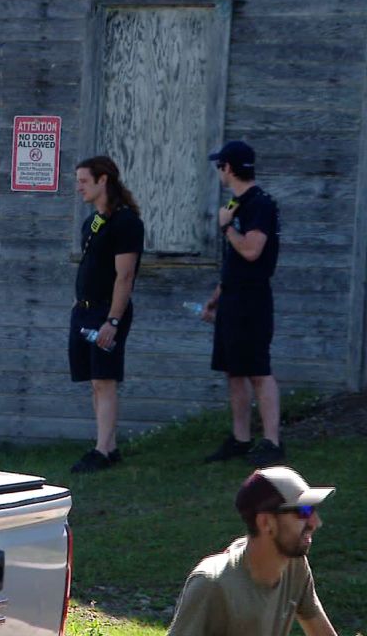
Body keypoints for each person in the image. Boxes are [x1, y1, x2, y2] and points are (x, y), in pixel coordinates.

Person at [166, 466, 337, 636]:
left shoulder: (294, 564)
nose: (315, 522)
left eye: (313, 509)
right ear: (265, 522)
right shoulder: (212, 584)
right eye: (303, 511)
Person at [200, 141, 284, 466]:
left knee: (258, 371)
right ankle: (240, 439)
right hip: (232, 297)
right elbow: (235, 261)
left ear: (229, 168)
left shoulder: (259, 205)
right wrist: (216, 298)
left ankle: (272, 442)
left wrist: (225, 228)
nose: (219, 172)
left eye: (220, 166)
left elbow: (251, 251)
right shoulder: (236, 203)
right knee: (234, 372)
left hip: (252, 299)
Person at [68, 156, 144, 473]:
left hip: (106, 312)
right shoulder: (95, 221)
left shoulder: (126, 222)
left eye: (85, 181)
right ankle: (108, 446)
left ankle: (102, 450)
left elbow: (124, 276)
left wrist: (112, 320)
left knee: (105, 380)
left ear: (104, 181)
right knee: (95, 382)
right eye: (78, 181)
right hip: (83, 311)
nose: (79, 187)